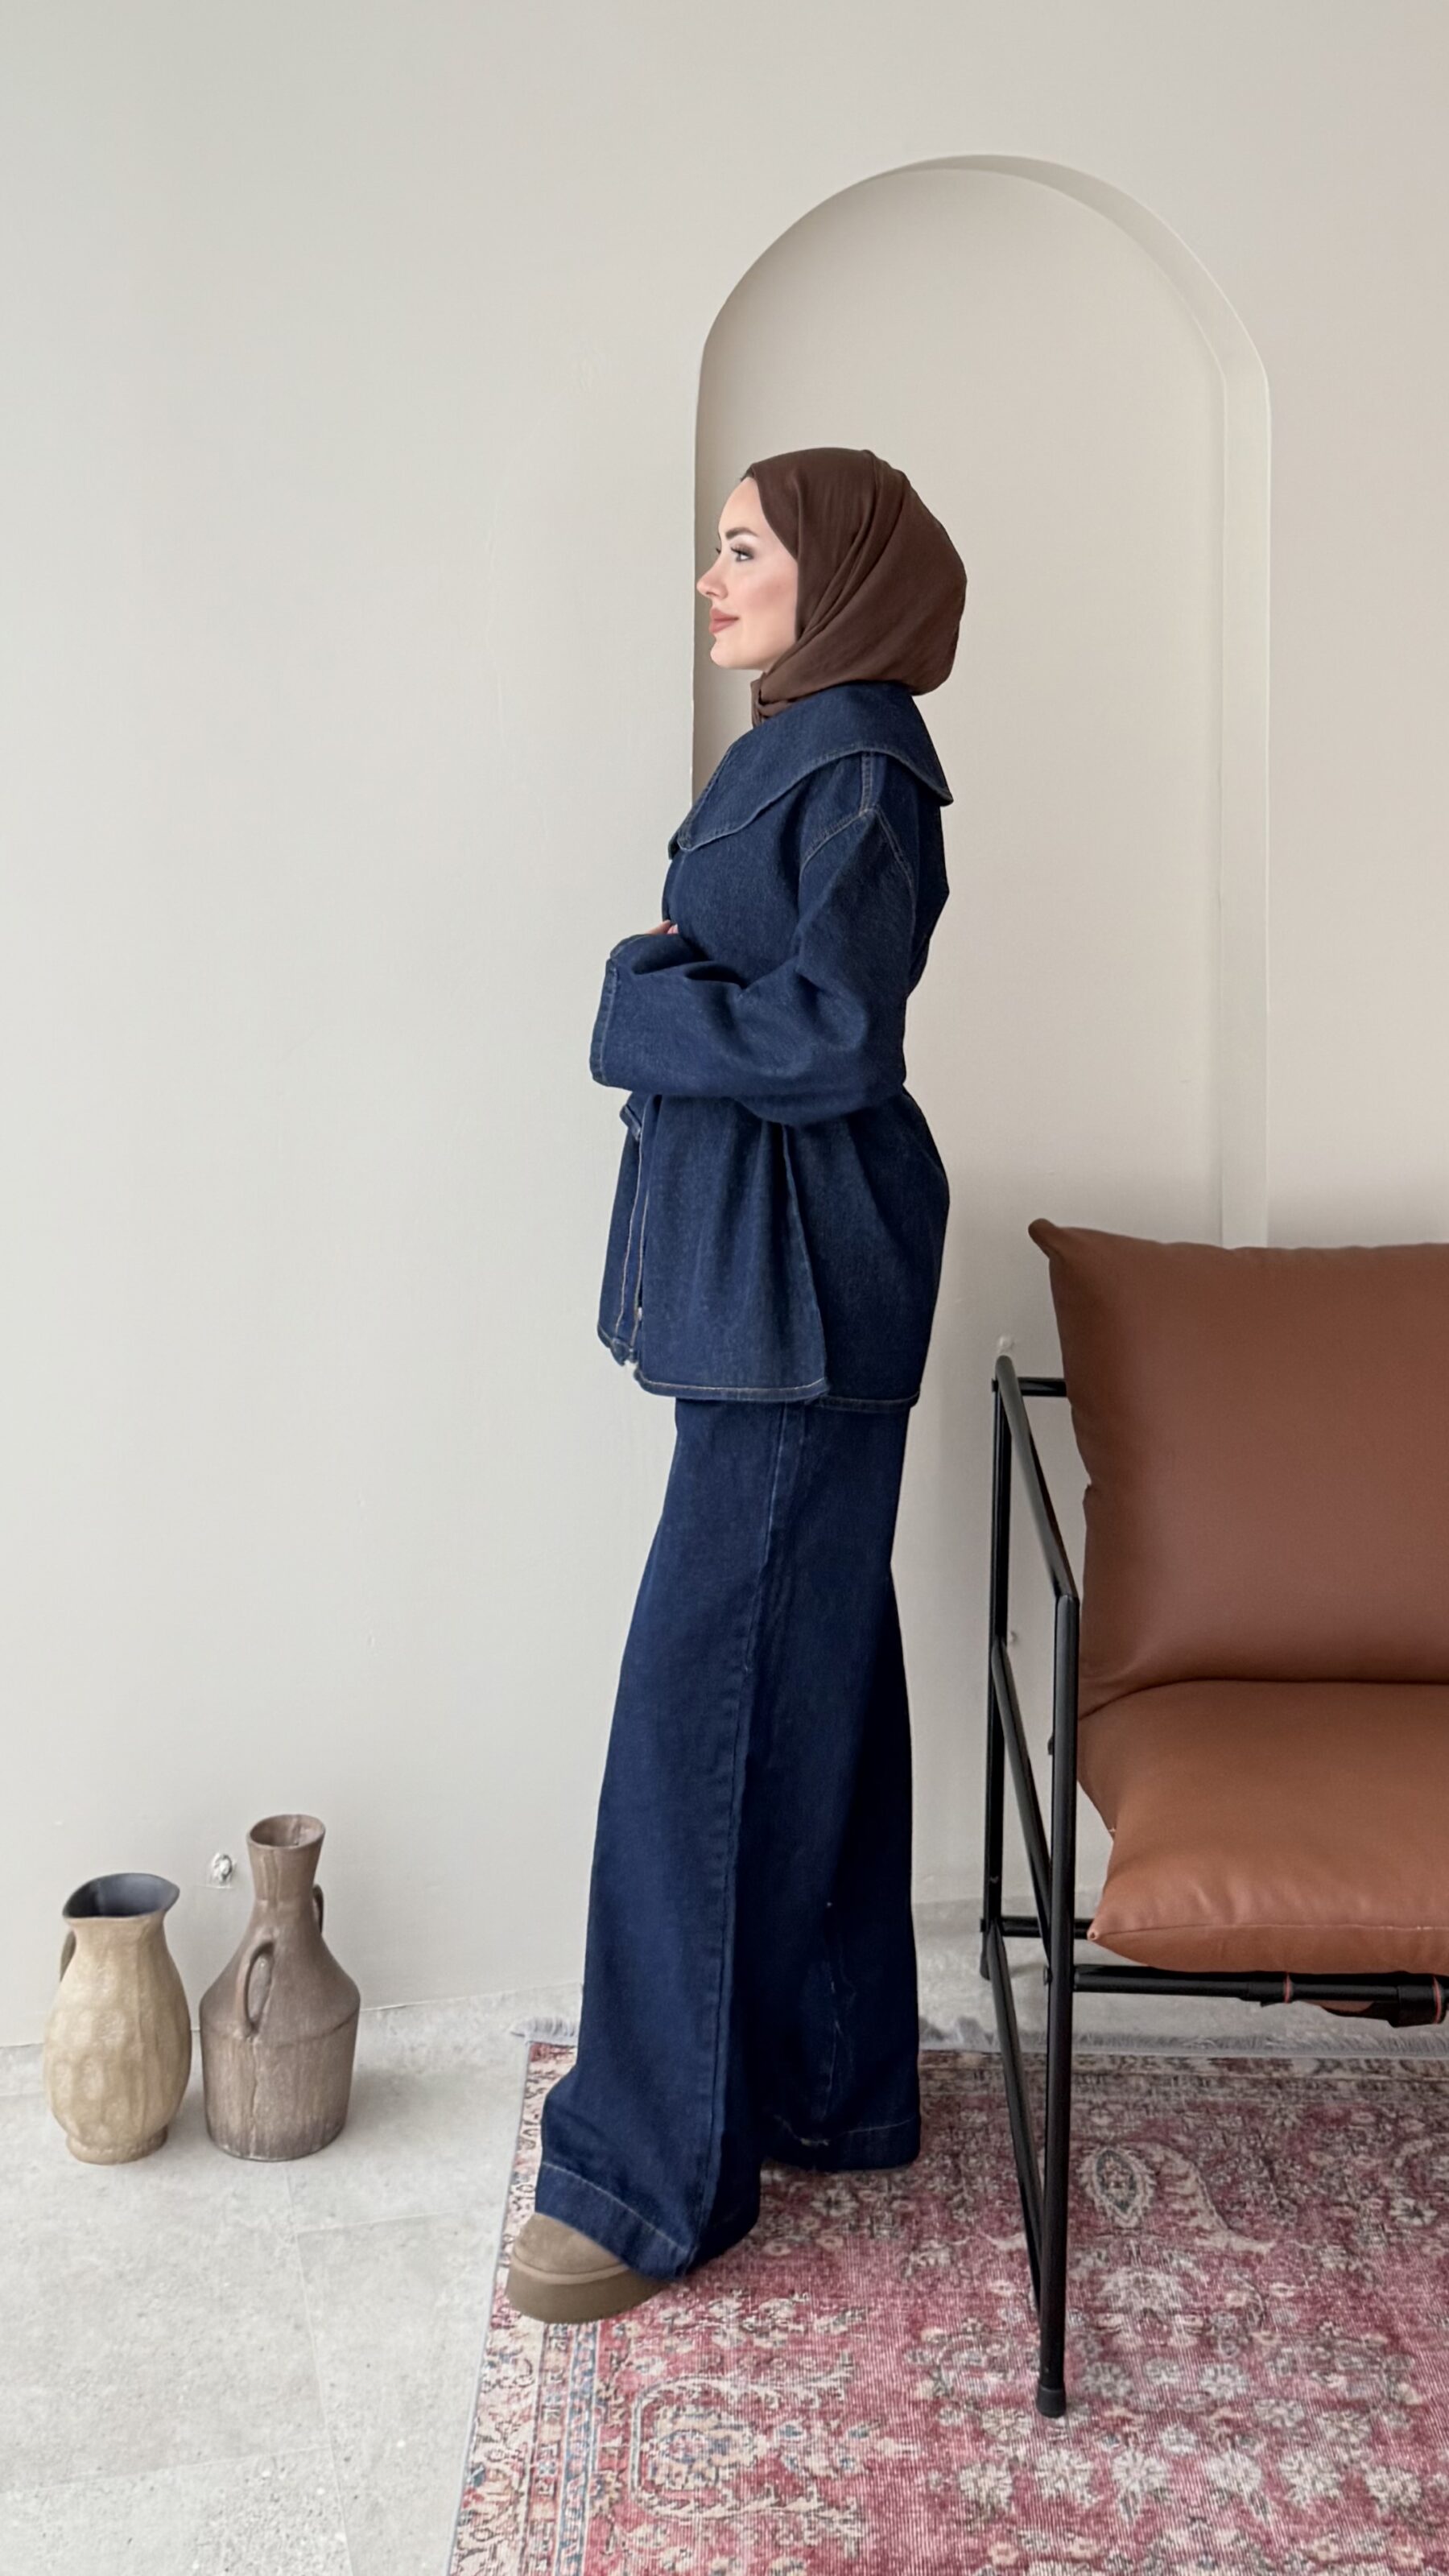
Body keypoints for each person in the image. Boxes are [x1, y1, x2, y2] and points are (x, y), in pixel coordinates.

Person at [506, 447, 968, 2325]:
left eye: (745, 547)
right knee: (812, 1674)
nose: (714, 579)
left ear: (837, 573)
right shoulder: (813, 745)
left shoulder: (856, 758)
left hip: (802, 1298)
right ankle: (829, 2082)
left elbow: (839, 1031)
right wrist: (683, 984)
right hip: (786, 1290)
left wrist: (640, 1001)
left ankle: (643, 2173)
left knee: (700, 1720)